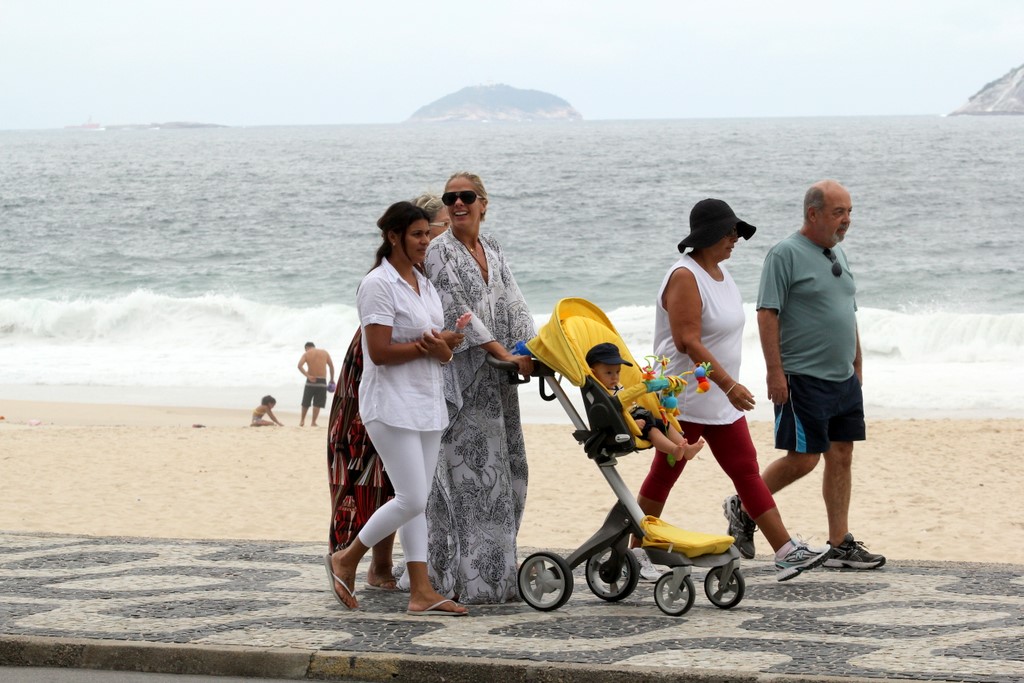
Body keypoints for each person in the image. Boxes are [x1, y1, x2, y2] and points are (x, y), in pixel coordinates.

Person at [636, 198, 830, 583]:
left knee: (745, 468)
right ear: (708, 236)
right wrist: (729, 385)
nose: (736, 239)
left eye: (737, 232)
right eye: (730, 232)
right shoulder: (684, 276)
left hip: (719, 400)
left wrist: (728, 389)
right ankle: (631, 549)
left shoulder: (721, 274)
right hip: (685, 396)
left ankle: (786, 551)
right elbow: (687, 340)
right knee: (666, 472)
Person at [324, 200, 467, 616]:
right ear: (394, 237)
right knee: (412, 498)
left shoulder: (423, 283)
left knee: (416, 501)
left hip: (426, 402)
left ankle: (420, 592)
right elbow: (380, 351)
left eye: (428, 234)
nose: (426, 241)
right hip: (389, 404)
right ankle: (347, 558)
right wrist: (429, 348)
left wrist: (443, 346)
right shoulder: (378, 285)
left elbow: (431, 345)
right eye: (418, 235)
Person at [755, 180, 885, 570]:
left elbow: (847, 310)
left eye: (849, 212)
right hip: (801, 376)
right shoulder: (784, 254)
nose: (846, 220)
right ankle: (746, 503)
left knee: (841, 455)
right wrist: (775, 373)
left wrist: (858, 360)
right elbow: (767, 313)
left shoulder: (838, 254)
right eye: (838, 212)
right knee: (804, 458)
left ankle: (839, 544)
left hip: (842, 377)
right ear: (813, 213)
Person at [422, 171, 536, 604]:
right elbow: (457, 309)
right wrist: (500, 351)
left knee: (511, 474)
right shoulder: (438, 252)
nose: (457, 203)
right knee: (469, 481)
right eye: (450, 198)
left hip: (499, 382)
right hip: (464, 381)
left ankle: (500, 576)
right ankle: (464, 581)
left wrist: (531, 350)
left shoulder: (494, 249)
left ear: (483, 203)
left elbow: (515, 303)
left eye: (466, 196)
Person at [586, 342, 705, 465]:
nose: (615, 377)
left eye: (617, 372)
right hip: (629, 421)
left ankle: (687, 449)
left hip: (640, 413)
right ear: (594, 373)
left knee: (665, 424)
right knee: (653, 430)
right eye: (609, 373)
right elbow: (612, 414)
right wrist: (632, 424)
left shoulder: (615, 385)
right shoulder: (602, 393)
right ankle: (674, 450)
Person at [298, 342, 335, 427]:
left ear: (306, 348)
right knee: (317, 403)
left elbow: (299, 365)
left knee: (305, 402)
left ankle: (302, 421)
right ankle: (313, 422)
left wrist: (307, 375)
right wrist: (332, 379)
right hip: (322, 381)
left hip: (310, 380)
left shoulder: (307, 353)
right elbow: (331, 366)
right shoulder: (324, 352)